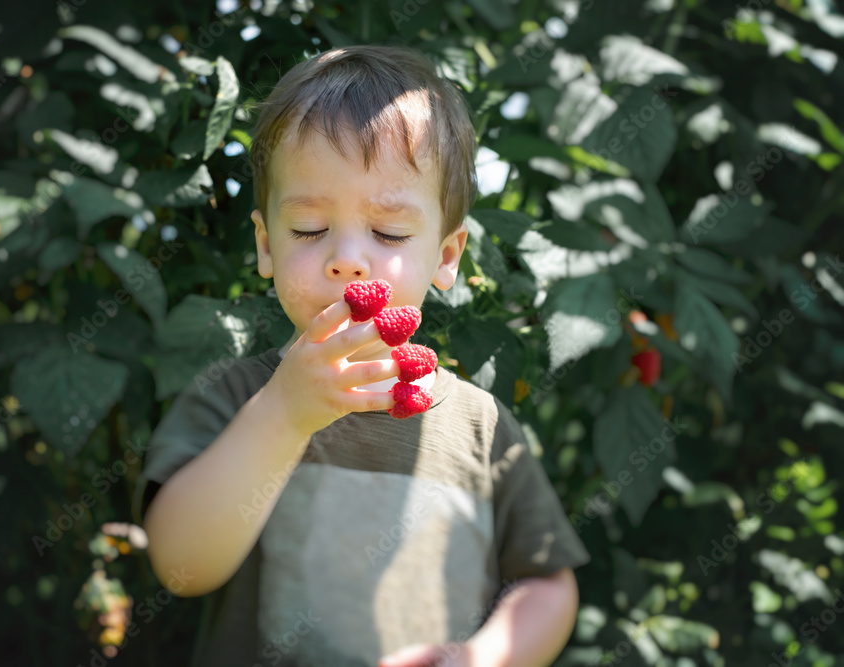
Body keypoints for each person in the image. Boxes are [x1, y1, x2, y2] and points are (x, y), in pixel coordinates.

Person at [133, 44, 590, 667]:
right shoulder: (237, 397)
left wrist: (485, 656)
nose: (347, 257)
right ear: (265, 245)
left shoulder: (479, 426)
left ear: (448, 256)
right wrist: (284, 415)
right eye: (308, 230)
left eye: (390, 233)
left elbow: (546, 582)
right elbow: (182, 565)